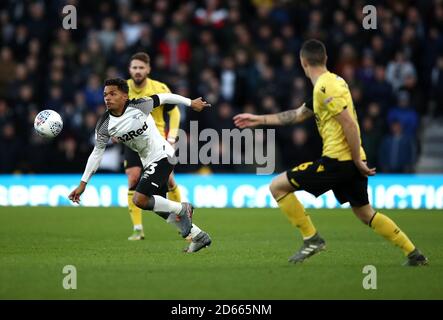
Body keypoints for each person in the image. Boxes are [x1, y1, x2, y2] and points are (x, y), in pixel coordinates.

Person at [233, 39, 427, 266]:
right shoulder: (332, 83)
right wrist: (259, 119)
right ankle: (414, 254)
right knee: (366, 214)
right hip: (350, 161)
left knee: (277, 186)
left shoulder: (325, 87)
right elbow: (296, 115)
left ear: (303, 62)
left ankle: (311, 239)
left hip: (339, 161)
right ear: (325, 59)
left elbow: (349, 124)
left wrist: (355, 159)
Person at [69, 78, 212, 253]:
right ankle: (198, 236)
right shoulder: (104, 125)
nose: (107, 98)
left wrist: (191, 103)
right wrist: (83, 183)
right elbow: (97, 153)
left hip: (164, 155)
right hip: (148, 162)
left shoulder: (139, 105)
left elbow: (165, 97)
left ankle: (183, 208)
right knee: (160, 208)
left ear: (124, 96)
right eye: (105, 94)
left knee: (139, 199)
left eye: (113, 94)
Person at [125, 52, 182, 241]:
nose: (138, 71)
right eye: (135, 67)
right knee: (133, 178)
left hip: (157, 141)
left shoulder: (159, 88)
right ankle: (138, 229)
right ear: (130, 69)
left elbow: (175, 113)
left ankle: (182, 219)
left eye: (141, 68)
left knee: (170, 182)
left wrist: (172, 136)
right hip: (133, 140)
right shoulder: (122, 89)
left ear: (148, 69)